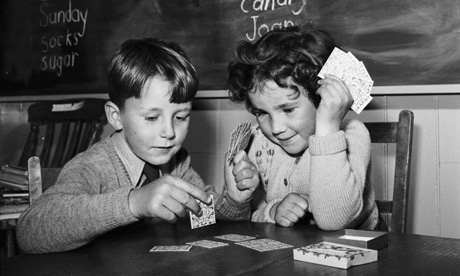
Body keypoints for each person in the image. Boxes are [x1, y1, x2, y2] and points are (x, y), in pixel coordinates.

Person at [17, 37, 259, 254]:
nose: (169, 132)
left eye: (181, 116)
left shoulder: (177, 163)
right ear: (115, 116)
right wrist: (133, 202)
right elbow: (28, 232)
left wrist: (235, 201)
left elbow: (202, 217)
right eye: (152, 118)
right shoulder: (94, 166)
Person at [226, 25, 380, 230]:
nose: (276, 128)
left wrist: (328, 127)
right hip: (291, 252)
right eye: (261, 113)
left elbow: (335, 221)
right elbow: (248, 217)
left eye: (288, 110)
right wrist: (272, 211)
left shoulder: (352, 134)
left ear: (320, 99)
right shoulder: (258, 141)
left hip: (358, 252)